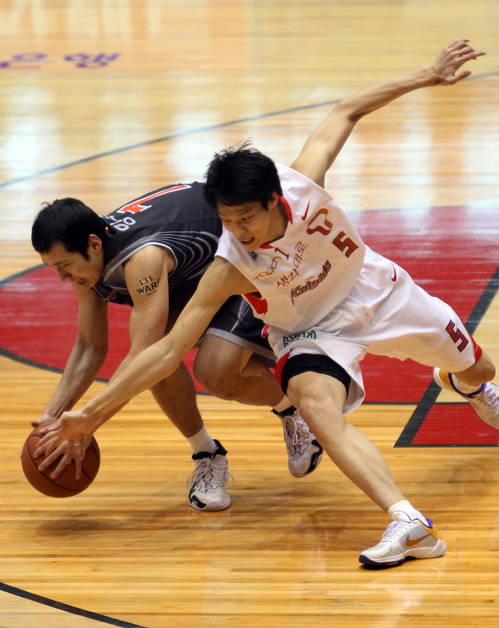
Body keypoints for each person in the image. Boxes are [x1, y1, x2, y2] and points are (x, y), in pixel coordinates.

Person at [35, 39, 497, 566]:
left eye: (246, 218)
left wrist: (427, 73)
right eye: (226, 221)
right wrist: (87, 416)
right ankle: (408, 521)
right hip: (311, 332)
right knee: (316, 405)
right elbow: (165, 353)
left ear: (274, 201)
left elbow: (348, 109)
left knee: (478, 364)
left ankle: (465, 381)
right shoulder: (229, 265)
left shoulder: (303, 183)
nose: (237, 231)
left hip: (380, 293)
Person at [30, 185, 324, 512]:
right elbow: (90, 347)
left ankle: (292, 411)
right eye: (54, 267)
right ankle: (207, 454)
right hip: (190, 278)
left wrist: (88, 422)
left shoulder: (142, 258)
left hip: (242, 262)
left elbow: (145, 356)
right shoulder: (87, 257)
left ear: (94, 245)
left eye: (63, 265)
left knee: (210, 372)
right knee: (151, 357)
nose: (61, 277)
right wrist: (52, 418)